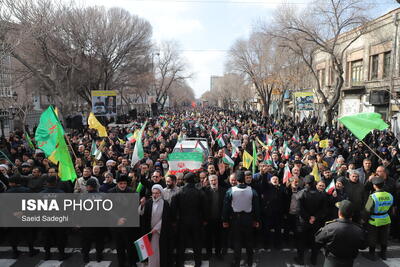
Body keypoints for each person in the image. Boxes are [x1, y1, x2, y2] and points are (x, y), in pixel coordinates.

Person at [222, 171, 260, 267]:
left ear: (237, 180)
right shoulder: (252, 190)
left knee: (237, 242)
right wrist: (256, 220)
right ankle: (250, 261)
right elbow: (256, 207)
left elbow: (226, 207)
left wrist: (225, 220)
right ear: (244, 179)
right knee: (249, 241)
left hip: (236, 219)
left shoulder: (230, 190)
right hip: (248, 218)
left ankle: (237, 262)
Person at [315, 200, 367, 267]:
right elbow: (363, 246)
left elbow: (318, 240)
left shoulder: (330, 227)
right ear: (352, 214)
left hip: (331, 261)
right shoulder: (359, 230)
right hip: (348, 261)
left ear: (339, 212)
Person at [171, 172, 207, 267]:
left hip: (182, 222)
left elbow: (173, 208)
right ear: (194, 180)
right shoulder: (200, 192)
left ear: (184, 180)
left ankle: (179, 263)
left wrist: (174, 220)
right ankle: (198, 263)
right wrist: (204, 220)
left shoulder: (178, 192)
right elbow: (205, 208)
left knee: (181, 244)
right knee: (197, 244)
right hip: (196, 221)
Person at [295, 175, 327, 265]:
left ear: (305, 183)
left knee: (301, 241)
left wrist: (308, 218)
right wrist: (314, 217)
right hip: (315, 222)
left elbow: (299, 209)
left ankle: (300, 259)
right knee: (315, 241)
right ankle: (314, 259)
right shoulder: (321, 194)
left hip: (303, 222)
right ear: (314, 183)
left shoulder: (301, 193)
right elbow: (323, 210)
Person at [139, 184, 172, 267]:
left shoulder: (165, 203)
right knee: (151, 251)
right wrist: (142, 205)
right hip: (149, 231)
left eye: (157, 193)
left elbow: (165, 218)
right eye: (153, 193)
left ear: (161, 193)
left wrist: (156, 228)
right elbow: (141, 213)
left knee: (160, 250)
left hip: (160, 232)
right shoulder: (148, 202)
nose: (155, 195)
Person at [364, 176, 394, 261]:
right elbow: (390, 208)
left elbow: (367, 210)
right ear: (383, 184)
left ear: (374, 186)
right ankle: (383, 254)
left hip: (374, 220)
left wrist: (363, 219)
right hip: (386, 219)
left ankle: (372, 254)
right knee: (384, 237)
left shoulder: (372, 197)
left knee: (372, 237)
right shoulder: (390, 196)